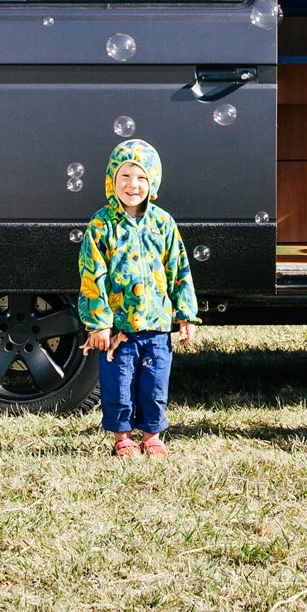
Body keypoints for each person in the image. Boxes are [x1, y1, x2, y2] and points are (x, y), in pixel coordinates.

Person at [77, 139, 199, 458]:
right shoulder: (101, 225)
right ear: (111, 181)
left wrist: (185, 314)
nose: (133, 185)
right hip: (119, 329)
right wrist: (98, 323)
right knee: (119, 384)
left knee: (154, 384)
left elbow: (179, 269)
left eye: (142, 177)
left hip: (157, 326)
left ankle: (152, 435)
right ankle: (122, 437)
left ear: (153, 181)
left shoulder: (163, 223)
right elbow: (93, 277)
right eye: (125, 177)